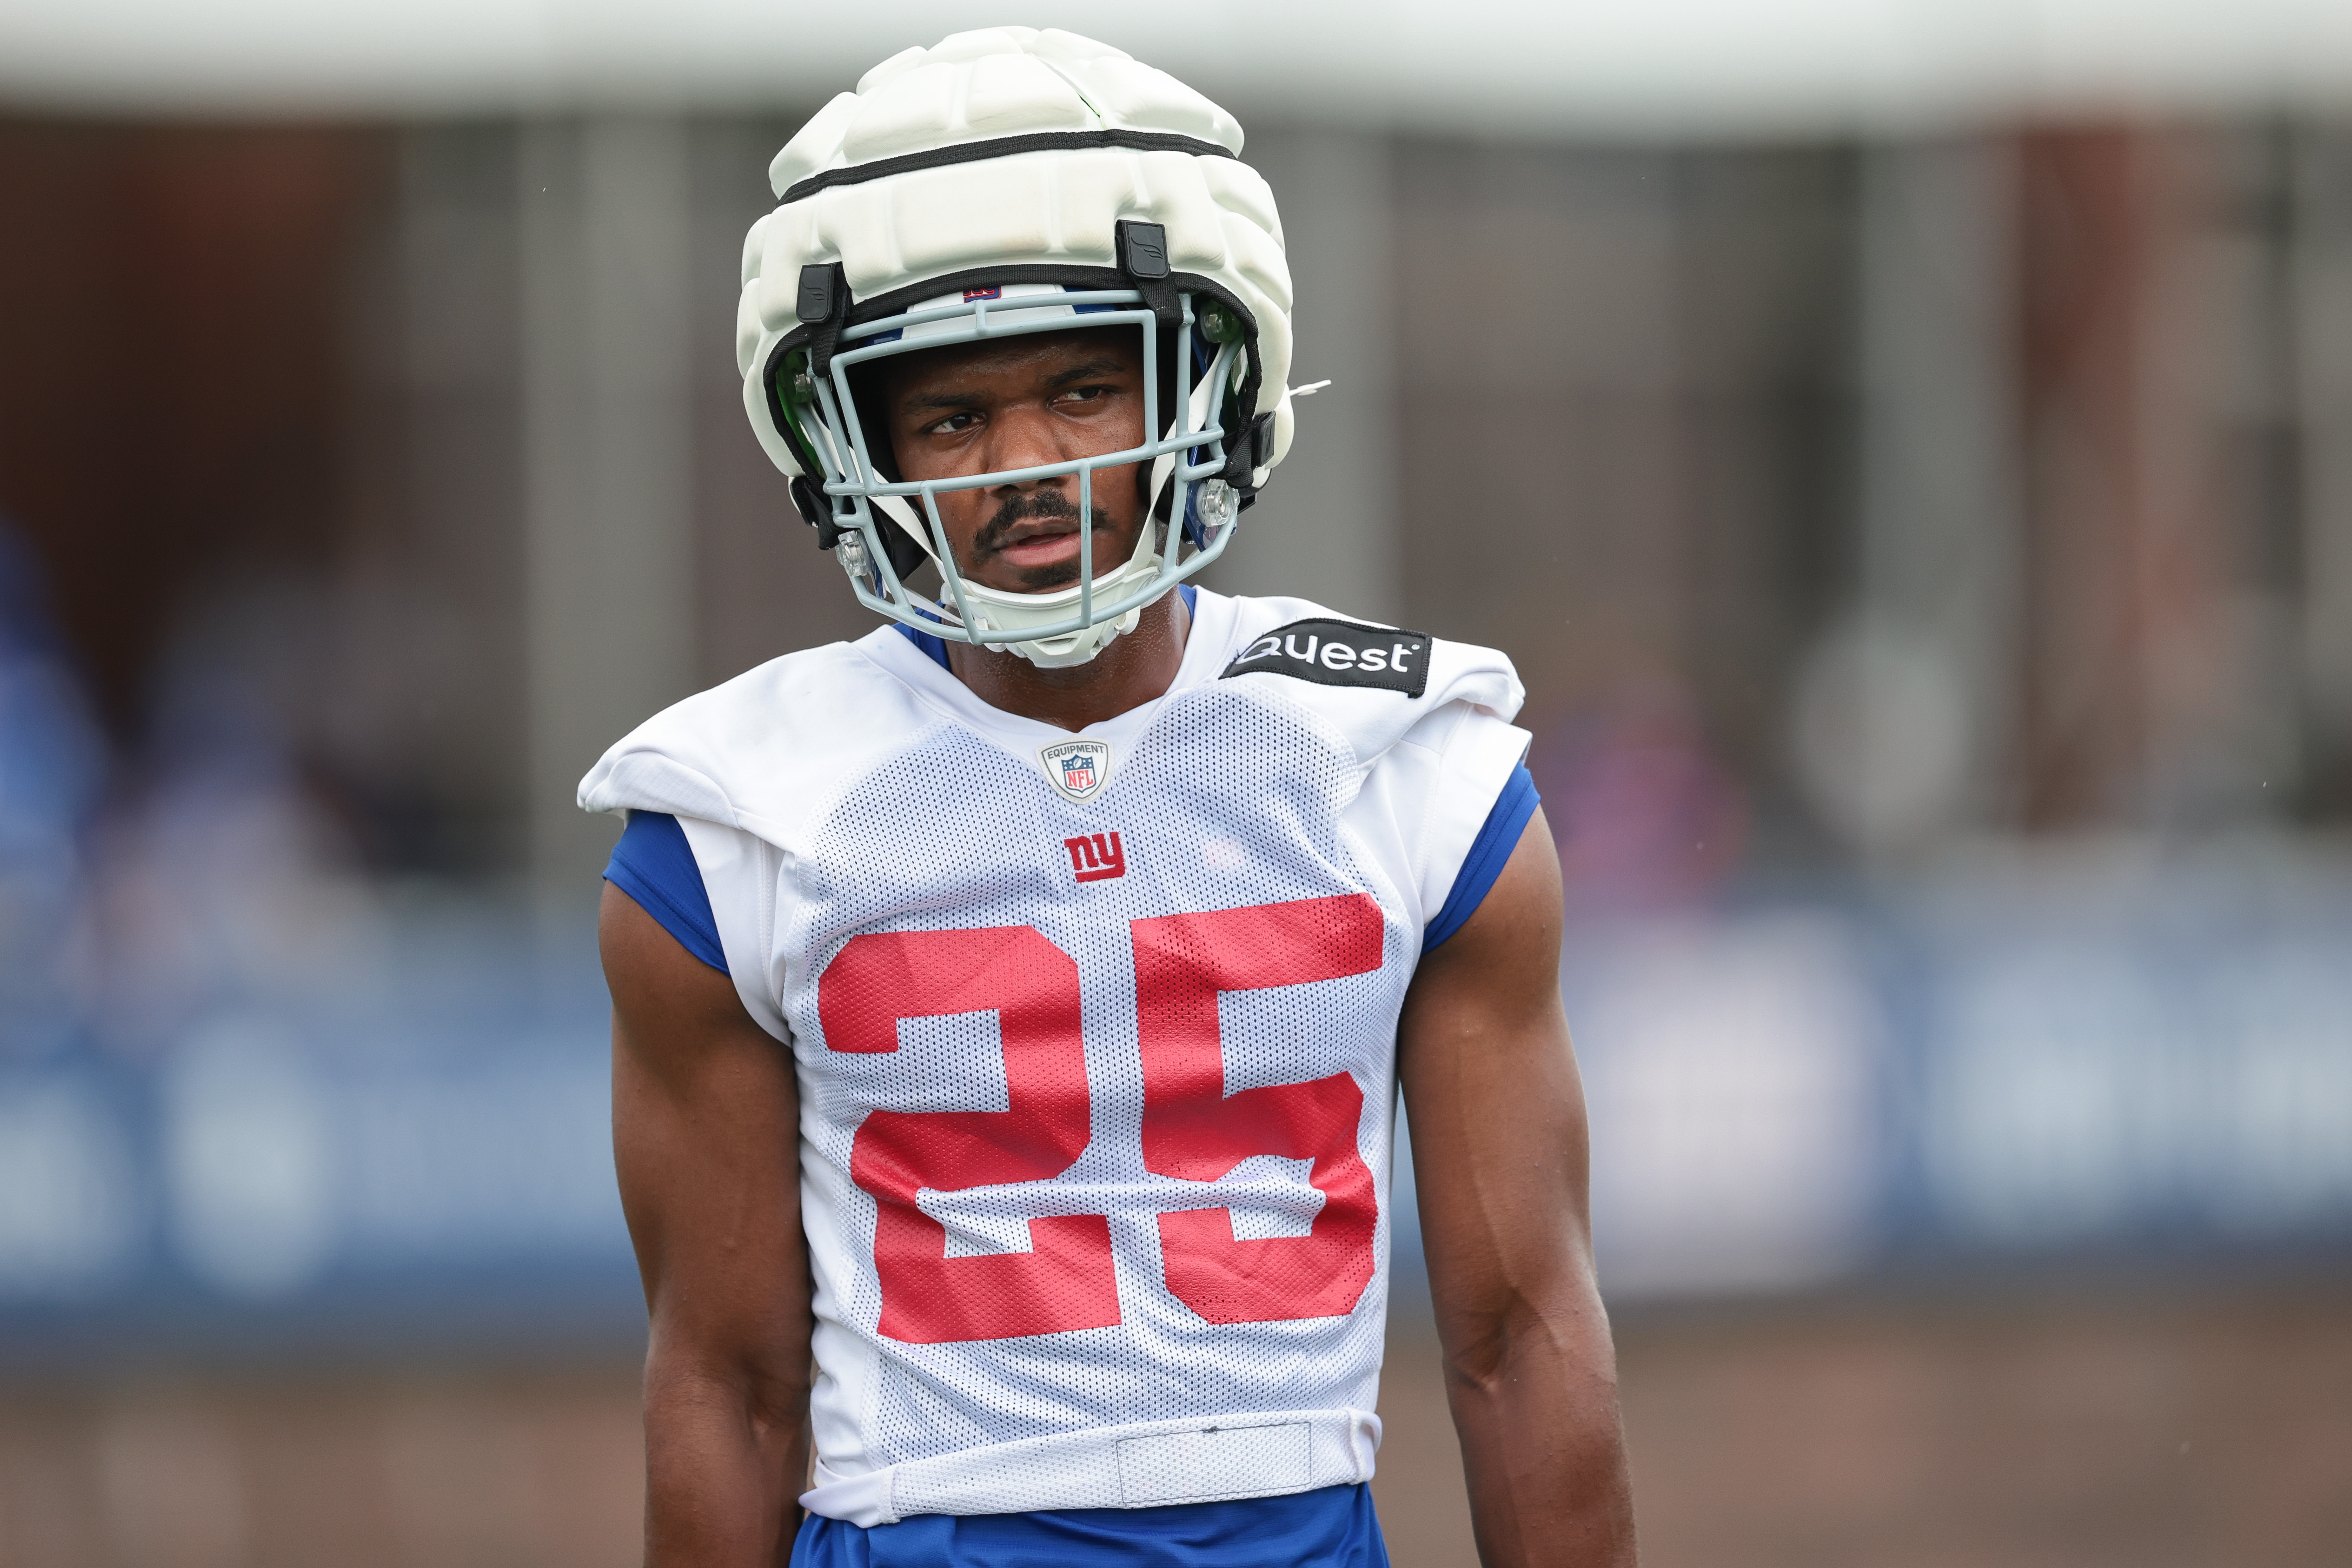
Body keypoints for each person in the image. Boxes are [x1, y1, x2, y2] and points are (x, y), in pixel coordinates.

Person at [585, 28, 1634, 1568]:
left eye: (1085, 387)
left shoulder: (1412, 760)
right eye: (947, 418)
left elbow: (1520, 1333)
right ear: (852, 447)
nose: (1025, 465)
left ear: (1209, 378)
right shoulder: (736, 818)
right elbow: (729, 1391)